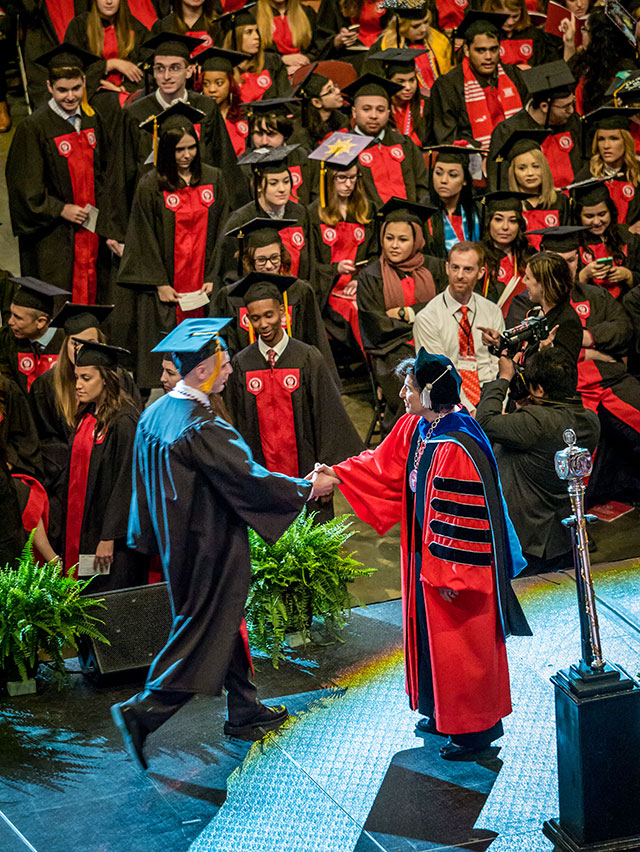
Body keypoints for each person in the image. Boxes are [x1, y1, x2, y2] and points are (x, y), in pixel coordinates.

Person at [111, 318, 315, 770]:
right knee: (203, 631)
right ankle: (143, 712)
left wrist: (148, 537)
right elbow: (248, 478)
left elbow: (140, 484)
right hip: (212, 546)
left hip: (180, 545)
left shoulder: (157, 413)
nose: (230, 370)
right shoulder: (200, 424)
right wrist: (306, 488)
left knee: (225, 622)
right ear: (202, 370)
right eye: (223, 364)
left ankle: (244, 708)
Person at [311, 348, 531, 759]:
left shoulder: (456, 444)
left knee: (462, 646)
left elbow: (457, 521)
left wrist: (450, 576)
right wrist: (337, 475)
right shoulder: (420, 426)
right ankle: (440, 710)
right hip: (422, 555)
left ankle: (473, 731)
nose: (401, 393)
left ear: (430, 394)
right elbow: (382, 464)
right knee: (432, 642)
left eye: (409, 387)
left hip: (454, 569)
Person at [225, 274, 364, 523]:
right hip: (261, 479)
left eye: (269, 315)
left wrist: (327, 474)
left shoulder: (307, 358)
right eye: (255, 318)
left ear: (282, 312)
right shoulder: (242, 364)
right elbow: (235, 424)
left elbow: (328, 420)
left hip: (307, 475)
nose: (263, 324)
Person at [117, 102, 230, 389]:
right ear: (166, 150)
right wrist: (159, 282)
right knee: (171, 360)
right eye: (179, 150)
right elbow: (142, 236)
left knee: (207, 361)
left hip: (203, 286)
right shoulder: (151, 185)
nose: (187, 155)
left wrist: (213, 276)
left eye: (191, 147)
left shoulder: (214, 178)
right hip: (170, 289)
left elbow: (223, 231)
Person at [97, 32, 243, 246]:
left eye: (174, 68)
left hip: (201, 212)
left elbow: (224, 163)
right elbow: (121, 171)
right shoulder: (136, 113)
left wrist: (237, 220)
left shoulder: (205, 108)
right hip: (154, 216)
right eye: (160, 68)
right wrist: (117, 232)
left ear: (189, 71)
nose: (166, 76)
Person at [537, 226, 640, 505]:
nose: (564, 268)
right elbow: (537, 356)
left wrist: (586, 337)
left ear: (580, 259)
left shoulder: (595, 295)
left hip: (610, 379)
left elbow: (623, 329)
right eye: (556, 261)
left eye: (570, 260)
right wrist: (590, 353)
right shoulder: (529, 301)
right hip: (566, 391)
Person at [476, 348, 600, 573]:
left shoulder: (535, 423)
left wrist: (504, 377)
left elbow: (484, 421)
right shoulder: (591, 421)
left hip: (527, 541)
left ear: (540, 390)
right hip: (563, 538)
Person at [29, 302, 140, 548]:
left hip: (103, 494)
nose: (81, 349)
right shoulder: (46, 386)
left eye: (90, 342)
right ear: (65, 344)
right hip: (65, 486)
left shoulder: (119, 387)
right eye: (75, 343)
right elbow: (42, 440)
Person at [6, 43, 107, 302]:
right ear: (49, 87)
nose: (70, 96)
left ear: (84, 82)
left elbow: (105, 173)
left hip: (92, 231)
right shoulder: (34, 127)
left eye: (76, 88)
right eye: (62, 90)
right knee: (57, 301)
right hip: (54, 237)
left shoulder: (93, 119)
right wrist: (60, 209)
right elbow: (24, 188)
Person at [63, 339, 148, 590]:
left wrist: (109, 536)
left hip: (110, 540)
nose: (78, 385)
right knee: (85, 593)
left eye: (86, 378)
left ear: (106, 379)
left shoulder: (124, 421)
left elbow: (127, 481)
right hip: (85, 528)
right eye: (77, 377)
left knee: (105, 596)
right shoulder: (88, 415)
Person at [357, 198, 445, 429]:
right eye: (389, 238)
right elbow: (376, 325)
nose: (394, 245)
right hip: (391, 351)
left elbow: (444, 308)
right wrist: (422, 324)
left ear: (417, 240)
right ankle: (404, 439)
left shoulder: (436, 268)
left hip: (435, 344)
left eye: (403, 239)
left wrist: (409, 313)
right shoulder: (370, 275)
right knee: (410, 383)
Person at [213, 220, 338, 383]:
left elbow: (316, 339)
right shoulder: (231, 296)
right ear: (249, 261)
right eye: (261, 260)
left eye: (274, 258)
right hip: (248, 381)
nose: (269, 265)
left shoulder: (299, 291)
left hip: (295, 379)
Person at [413, 242, 504, 412]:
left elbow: (499, 365)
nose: (460, 275)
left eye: (468, 269)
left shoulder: (492, 311)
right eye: (455, 268)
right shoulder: (427, 318)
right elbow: (439, 374)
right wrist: (468, 410)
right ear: (447, 268)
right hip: (450, 402)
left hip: (490, 395)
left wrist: (498, 404)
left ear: (480, 272)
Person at [308, 144, 376, 351]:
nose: (348, 184)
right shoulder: (313, 214)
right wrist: (335, 269)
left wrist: (359, 278)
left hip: (359, 285)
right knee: (357, 311)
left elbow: (374, 253)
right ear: (329, 178)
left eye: (353, 178)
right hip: (329, 290)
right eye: (342, 178)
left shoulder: (365, 210)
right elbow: (309, 264)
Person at [430, 13, 525, 148]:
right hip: (471, 155)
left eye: (493, 49)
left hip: (515, 150)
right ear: (466, 50)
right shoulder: (448, 86)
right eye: (480, 50)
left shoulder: (514, 75)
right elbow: (448, 139)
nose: (488, 56)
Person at [219, 145, 312, 280]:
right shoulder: (242, 219)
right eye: (274, 183)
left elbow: (310, 264)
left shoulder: (299, 213)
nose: (282, 189)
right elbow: (229, 268)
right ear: (258, 186)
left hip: (295, 290)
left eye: (286, 182)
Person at [487, 61, 583, 191]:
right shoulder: (508, 131)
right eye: (565, 107)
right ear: (544, 106)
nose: (571, 111)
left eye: (572, 104)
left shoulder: (572, 121)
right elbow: (498, 183)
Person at [341, 73, 430, 208]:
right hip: (365, 219)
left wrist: (415, 215)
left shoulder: (405, 144)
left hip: (409, 217)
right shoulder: (342, 150)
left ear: (388, 113)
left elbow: (422, 187)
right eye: (366, 109)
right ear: (354, 112)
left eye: (380, 110)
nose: (374, 116)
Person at [481, 251, 583, 367]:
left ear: (543, 284)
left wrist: (546, 353)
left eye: (528, 278)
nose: (523, 281)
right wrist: (498, 342)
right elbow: (519, 352)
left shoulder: (568, 322)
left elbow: (565, 374)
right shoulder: (534, 311)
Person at [63, 0, 148, 129]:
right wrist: (109, 65)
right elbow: (71, 72)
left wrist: (122, 88)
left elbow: (149, 65)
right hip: (92, 96)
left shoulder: (133, 26)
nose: (109, 1)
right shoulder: (80, 26)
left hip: (128, 93)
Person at [498, 134, 570, 248]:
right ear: (513, 172)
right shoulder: (508, 205)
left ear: (544, 168)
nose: (530, 173)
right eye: (522, 168)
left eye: (536, 166)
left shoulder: (560, 201)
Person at [365, 3, 452, 96]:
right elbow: (373, 82)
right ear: (401, 25)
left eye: (426, 22)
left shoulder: (439, 40)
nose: (424, 29)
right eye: (416, 26)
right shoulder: (384, 46)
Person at [573, 180, 640, 300]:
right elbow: (561, 289)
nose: (596, 222)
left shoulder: (627, 236)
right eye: (589, 216)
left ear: (610, 212)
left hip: (626, 304)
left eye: (602, 214)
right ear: (579, 216)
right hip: (589, 306)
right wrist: (584, 275)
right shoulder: (572, 242)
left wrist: (628, 275)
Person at [0, 277, 69, 393]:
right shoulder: (6, 339)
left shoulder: (66, 342)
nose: (10, 322)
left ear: (40, 322)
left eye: (18, 317)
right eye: (11, 314)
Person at [577, 107, 640, 231]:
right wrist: (625, 232)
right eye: (601, 139)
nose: (606, 146)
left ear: (626, 141)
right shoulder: (586, 177)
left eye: (614, 138)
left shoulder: (637, 173)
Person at [220, 4, 290, 103]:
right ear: (234, 38)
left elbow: (286, 99)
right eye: (249, 32)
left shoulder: (272, 61)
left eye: (256, 31)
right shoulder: (222, 68)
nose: (256, 36)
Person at [479, 190, 533, 315]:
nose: (505, 227)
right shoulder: (478, 256)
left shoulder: (529, 255)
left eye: (512, 221)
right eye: (498, 220)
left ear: (519, 225)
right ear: (488, 222)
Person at [426, 144, 481, 259]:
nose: (443, 180)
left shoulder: (477, 213)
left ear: (465, 180)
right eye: (438, 173)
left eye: (453, 175)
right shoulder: (424, 213)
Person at [367, 48, 431, 146]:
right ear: (388, 81)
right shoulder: (377, 109)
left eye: (412, 80)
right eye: (401, 81)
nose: (408, 87)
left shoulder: (426, 106)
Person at [199, 45, 250, 157]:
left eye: (219, 83)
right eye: (206, 84)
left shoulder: (244, 115)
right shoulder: (197, 117)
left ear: (231, 84)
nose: (212, 89)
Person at [255, 0, 316, 75]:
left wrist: (305, 60)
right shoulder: (253, 15)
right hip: (270, 74)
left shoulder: (306, 12)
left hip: (305, 71)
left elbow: (318, 47)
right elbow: (251, 56)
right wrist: (281, 60)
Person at [315, 0, 389, 62]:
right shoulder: (333, 2)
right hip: (350, 57)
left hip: (385, 55)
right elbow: (320, 41)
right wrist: (337, 40)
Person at [481, 0, 548, 67]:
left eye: (515, 16)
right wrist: (514, 70)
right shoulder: (482, 35)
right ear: (492, 12)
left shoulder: (533, 34)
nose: (510, 22)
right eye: (504, 17)